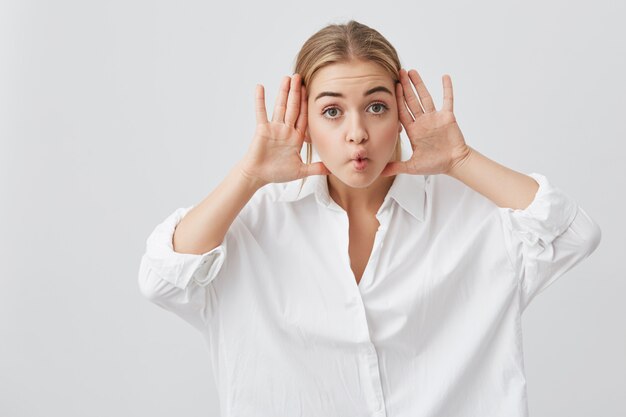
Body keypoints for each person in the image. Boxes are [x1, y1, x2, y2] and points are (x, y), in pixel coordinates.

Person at [137, 20, 601, 417]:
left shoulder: (472, 216)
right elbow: (162, 279)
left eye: (376, 107)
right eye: (332, 112)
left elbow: (575, 235)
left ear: (400, 113)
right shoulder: (253, 224)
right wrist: (247, 176)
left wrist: (460, 159)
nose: (356, 134)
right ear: (305, 120)